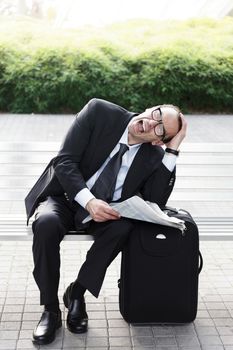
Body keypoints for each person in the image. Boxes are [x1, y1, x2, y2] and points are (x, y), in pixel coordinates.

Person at [25, 98, 187, 345]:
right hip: (65, 195)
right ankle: (50, 310)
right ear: (149, 108)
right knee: (45, 225)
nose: (149, 122)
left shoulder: (154, 154)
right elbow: (64, 161)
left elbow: (155, 200)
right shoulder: (99, 112)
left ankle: (77, 293)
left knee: (123, 228)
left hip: (107, 208)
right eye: (155, 113)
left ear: (157, 141)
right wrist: (89, 201)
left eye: (160, 128)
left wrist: (173, 149)